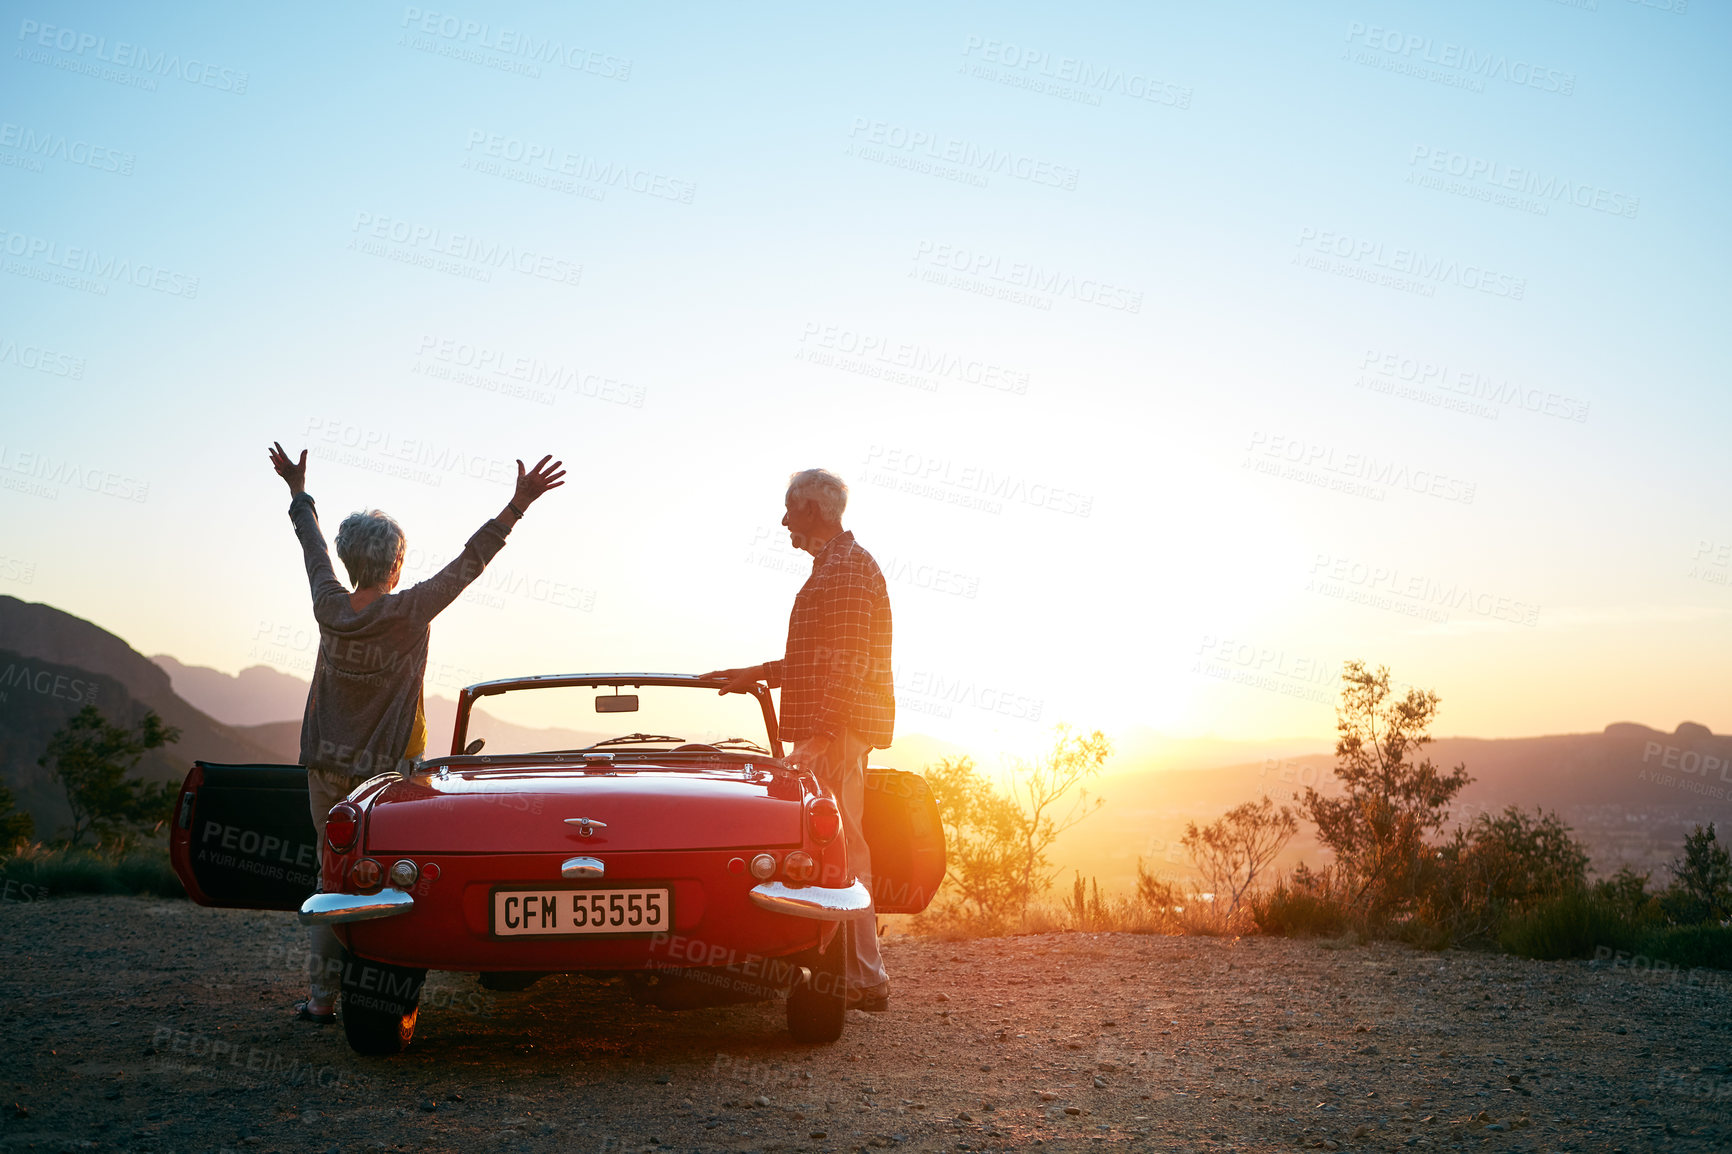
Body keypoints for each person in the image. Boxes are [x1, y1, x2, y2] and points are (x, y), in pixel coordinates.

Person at [267, 441, 564, 1022]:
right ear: (396, 564)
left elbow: (311, 547)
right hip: (383, 777)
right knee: (391, 883)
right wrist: (517, 505)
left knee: (331, 879)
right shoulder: (411, 610)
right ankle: (387, 991)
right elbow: (470, 562)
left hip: (322, 768)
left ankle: (323, 1000)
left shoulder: (328, 604)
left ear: (352, 564)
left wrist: (298, 492)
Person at [704, 468, 895, 1011]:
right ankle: (856, 972)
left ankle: (863, 977)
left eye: (790, 510)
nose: (784, 521)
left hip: (838, 729)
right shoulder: (836, 568)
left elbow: (851, 664)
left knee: (844, 848)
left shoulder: (848, 570)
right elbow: (820, 661)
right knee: (839, 846)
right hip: (834, 725)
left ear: (813, 509)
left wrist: (822, 737)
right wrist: (758, 672)